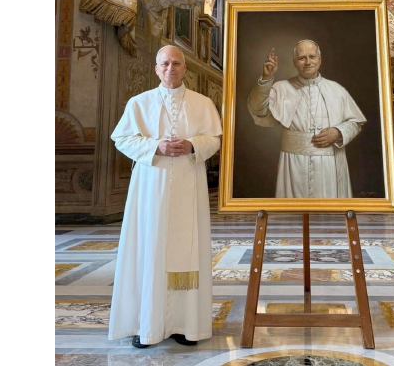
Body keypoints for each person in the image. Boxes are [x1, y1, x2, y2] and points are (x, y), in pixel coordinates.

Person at [108, 45, 222, 348]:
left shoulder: (203, 103)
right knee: (150, 248)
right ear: (156, 69)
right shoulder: (139, 103)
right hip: (150, 186)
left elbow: (214, 139)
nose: (170, 68)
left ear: (185, 68)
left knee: (188, 249)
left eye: (176, 63)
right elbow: (122, 138)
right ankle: (146, 325)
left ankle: (186, 324)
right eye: (165, 64)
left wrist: (193, 145)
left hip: (188, 182)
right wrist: (154, 147)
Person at [247, 40, 366, 198]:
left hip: (329, 164)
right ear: (294, 62)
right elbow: (258, 111)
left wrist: (338, 132)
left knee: (328, 208)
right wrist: (266, 78)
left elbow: (355, 123)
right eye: (302, 58)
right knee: (294, 210)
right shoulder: (281, 88)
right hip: (293, 163)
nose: (308, 62)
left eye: (312, 56)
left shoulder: (337, 90)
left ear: (320, 59)